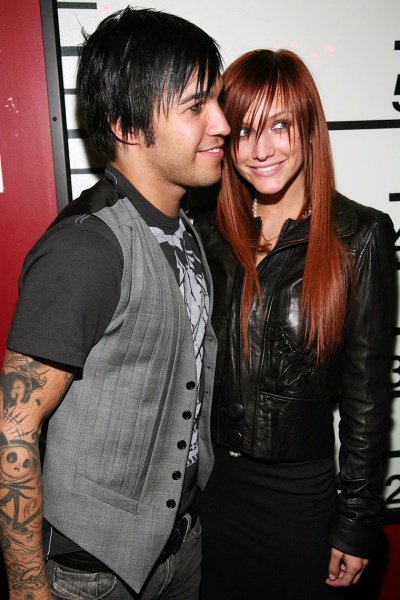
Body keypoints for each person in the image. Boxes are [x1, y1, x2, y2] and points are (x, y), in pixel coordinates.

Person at [0, 7, 230, 600]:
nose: (223, 123)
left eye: (217, 100)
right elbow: (13, 429)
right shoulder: (87, 249)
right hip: (93, 573)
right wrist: (28, 589)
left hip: (180, 547)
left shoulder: (185, 224)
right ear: (127, 125)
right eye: (196, 106)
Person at [194, 49, 396, 599]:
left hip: (299, 501)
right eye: (245, 131)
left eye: (280, 126)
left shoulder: (360, 237)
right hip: (209, 493)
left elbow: (367, 399)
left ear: (308, 128)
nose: (261, 149)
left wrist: (357, 520)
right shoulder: (205, 232)